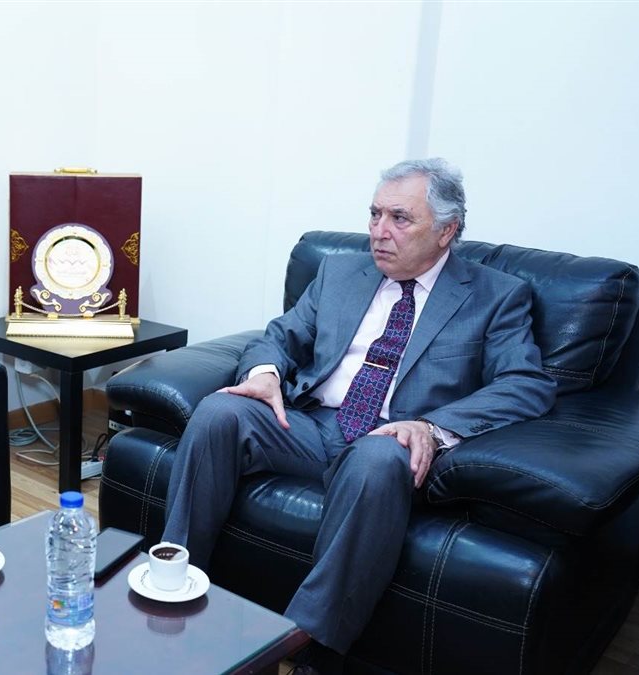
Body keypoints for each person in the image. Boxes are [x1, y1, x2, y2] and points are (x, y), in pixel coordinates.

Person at [161, 159, 555, 669]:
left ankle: (307, 646)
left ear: (446, 231)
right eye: (374, 214)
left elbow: (525, 383)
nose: (378, 231)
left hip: (390, 442)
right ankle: (173, 583)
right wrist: (265, 374)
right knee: (221, 410)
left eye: (399, 218)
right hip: (310, 425)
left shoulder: (495, 295)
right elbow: (280, 336)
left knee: (376, 457)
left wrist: (432, 427)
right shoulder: (340, 272)